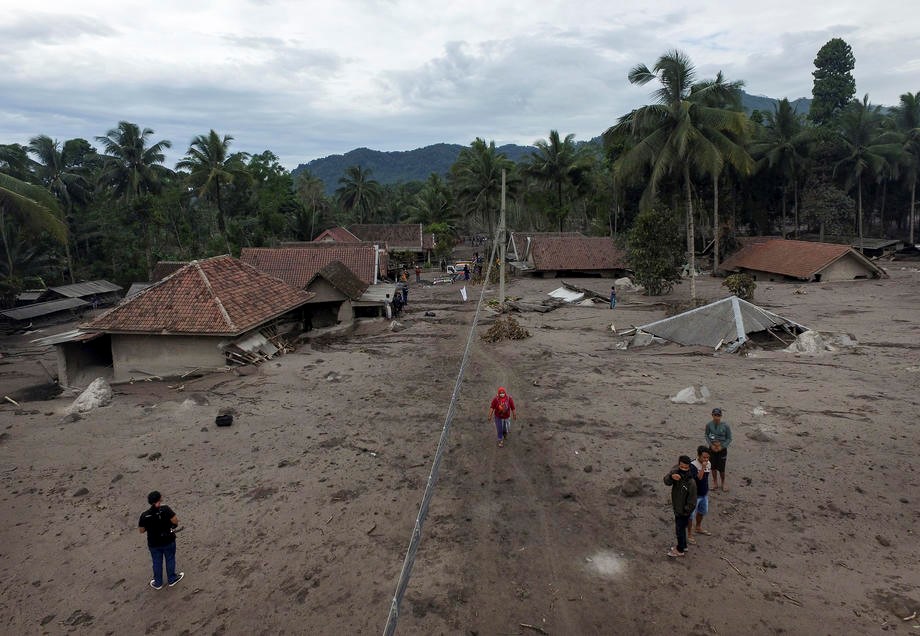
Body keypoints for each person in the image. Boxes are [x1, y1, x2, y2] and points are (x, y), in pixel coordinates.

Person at [138, 491, 184, 589]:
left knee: (156, 562)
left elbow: (141, 530)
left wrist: (149, 527)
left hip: (153, 543)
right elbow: (175, 521)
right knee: (170, 558)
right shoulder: (165, 509)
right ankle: (172, 578)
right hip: (168, 540)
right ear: (160, 499)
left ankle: (158, 582)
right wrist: (172, 526)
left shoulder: (144, 515)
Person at [663, 455, 697, 557]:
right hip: (677, 508)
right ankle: (684, 546)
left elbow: (692, 501)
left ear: (689, 467)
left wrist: (685, 511)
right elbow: (666, 481)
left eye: (686, 468)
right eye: (682, 467)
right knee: (681, 529)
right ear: (679, 465)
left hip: (683, 511)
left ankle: (680, 550)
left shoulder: (691, 483)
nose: (684, 469)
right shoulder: (675, 473)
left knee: (679, 530)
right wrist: (671, 477)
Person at [687, 446, 712, 544]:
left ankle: (698, 527)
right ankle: (689, 534)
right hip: (694, 495)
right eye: (704, 457)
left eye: (707, 457)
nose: (706, 460)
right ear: (698, 455)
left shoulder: (709, 463)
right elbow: (699, 479)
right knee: (690, 515)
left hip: (704, 493)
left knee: (702, 511)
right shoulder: (693, 465)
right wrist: (703, 467)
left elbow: (706, 478)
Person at [705, 407, 733, 491]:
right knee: (713, 467)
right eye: (715, 415)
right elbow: (706, 435)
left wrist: (722, 446)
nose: (716, 417)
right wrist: (711, 445)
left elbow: (729, 438)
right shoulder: (709, 425)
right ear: (712, 415)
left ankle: (723, 483)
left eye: (718, 415)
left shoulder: (725, 426)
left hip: (722, 449)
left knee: (721, 468)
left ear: (721, 416)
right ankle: (715, 482)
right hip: (712, 448)